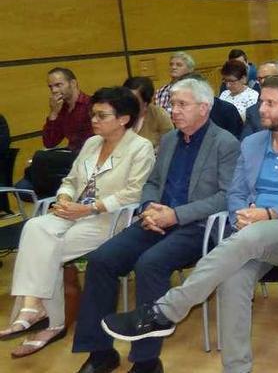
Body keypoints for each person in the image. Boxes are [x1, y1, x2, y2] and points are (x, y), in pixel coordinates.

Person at [99, 77, 278, 373]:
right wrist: (242, 215)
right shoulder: (251, 143)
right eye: (261, 101)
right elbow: (235, 193)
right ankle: (236, 368)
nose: (260, 108)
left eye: (269, 103)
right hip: (248, 232)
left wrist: (268, 214)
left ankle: (164, 311)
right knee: (232, 279)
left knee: (249, 239)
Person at [72, 78, 239, 373]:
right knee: (101, 260)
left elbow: (227, 197)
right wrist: (149, 207)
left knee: (150, 263)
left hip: (196, 226)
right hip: (156, 219)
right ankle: (100, 353)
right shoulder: (171, 139)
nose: (174, 110)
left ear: (203, 108)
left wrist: (176, 215)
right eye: (172, 104)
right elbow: (151, 182)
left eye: (181, 104)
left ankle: (146, 361)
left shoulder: (224, 143)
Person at [0, 87, 155, 357]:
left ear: (123, 119)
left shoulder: (140, 148)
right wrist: (63, 198)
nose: (94, 120)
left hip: (110, 218)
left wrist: (89, 209)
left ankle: (45, 318)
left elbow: (134, 192)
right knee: (35, 228)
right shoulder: (92, 143)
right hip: (74, 212)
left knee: (47, 250)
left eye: (101, 115)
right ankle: (36, 308)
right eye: (93, 114)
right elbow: (70, 181)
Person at [43, 67, 93, 153]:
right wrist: (54, 113)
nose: (54, 90)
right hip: (73, 154)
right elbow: (50, 143)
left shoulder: (90, 104)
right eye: (51, 87)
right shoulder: (61, 108)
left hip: (90, 154)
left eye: (58, 85)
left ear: (73, 83)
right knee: (38, 159)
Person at [123, 77, 173, 151]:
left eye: (133, 99)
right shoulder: (118, 115)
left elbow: (170, 145)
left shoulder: (159, 115)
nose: (128, 103)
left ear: (145, 102)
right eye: (126, 98)